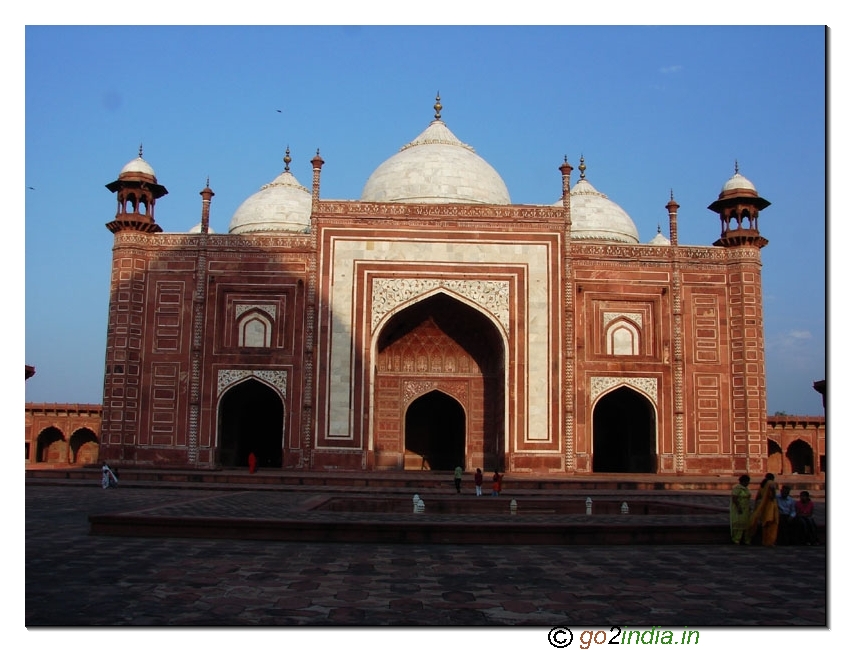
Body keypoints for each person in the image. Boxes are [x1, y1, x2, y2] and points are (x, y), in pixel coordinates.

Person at [749, 473, 779, 546]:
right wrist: (773, 495)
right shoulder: (770, 483)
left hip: (764, 507)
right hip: (770, 506)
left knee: (765, 524)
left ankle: (765, 541)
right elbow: (772, 490)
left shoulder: (762, 487)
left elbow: (757, 498)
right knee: (772, 524)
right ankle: (770, 541)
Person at [729, 474, 752, 544]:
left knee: (746, 524)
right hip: (738, 509)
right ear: (743, 481)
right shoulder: (737, 488)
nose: (748, 483)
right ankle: (736, 539)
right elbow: (734, 498)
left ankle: (746, 539)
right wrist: (738, 507)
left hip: (746, 508)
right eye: (747, 482)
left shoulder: (746, 489)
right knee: (738, 523)